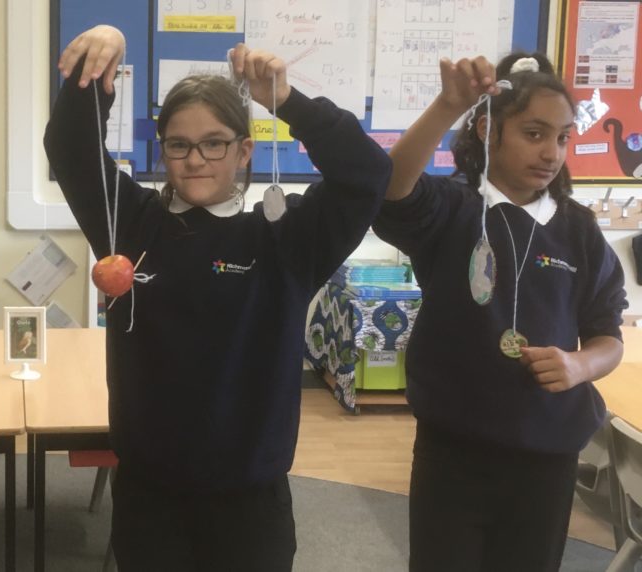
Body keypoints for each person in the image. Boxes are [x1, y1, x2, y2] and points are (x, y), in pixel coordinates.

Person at [44, 25, 391, 570]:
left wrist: (288, 102)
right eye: (179, 145)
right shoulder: (131, 224)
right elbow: (68, 147)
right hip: (149, 495)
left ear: (244, 149)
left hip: (249, 503)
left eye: (214, 143)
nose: (195, 158)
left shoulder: (285, 238)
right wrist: (103, 59)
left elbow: (368, 173)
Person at [372, 52, 627, 572]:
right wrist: (447, 106)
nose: (551, 152)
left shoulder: (577, 228)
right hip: (454, 451)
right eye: (534, 134)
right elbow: (392, 192)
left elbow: (608, 335)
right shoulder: (456, 209)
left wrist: (581, 365)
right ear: (490, 130)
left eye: (562, 138)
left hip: (547, 455)